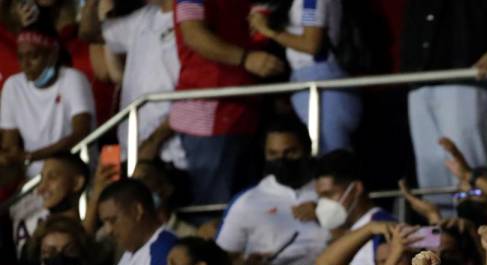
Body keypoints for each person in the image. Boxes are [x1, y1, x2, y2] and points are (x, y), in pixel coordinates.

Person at [402, 1, 487, 193]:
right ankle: (441, 222)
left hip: (468, 71)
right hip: (420, 74)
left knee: (470, 170)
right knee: (431, 177)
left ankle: (478, 221)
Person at [170, 0, 286, 204]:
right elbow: (193, 35)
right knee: (215, 212)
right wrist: (246, 58)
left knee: (245, 210)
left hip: (245, 113)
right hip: (209, 116)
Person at [215, 117, 330, 265]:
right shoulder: (247, 201)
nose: (281, 160)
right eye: (273, 154)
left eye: (290, 152)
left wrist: (326, 215)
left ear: (307, 149)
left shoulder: (331, 190)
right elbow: (223, 261)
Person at [249, 0, 362, 154]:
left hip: (322, 81)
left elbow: (311, 44)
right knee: (322, 156)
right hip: (310, 78)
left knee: (332, 158)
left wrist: (269, 30)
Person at [89, 0, 184, 167]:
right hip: (128, 150)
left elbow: (195, 91)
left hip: (170, 152)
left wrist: (156, 140)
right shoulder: (143, 18)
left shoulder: (192, 20)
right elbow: (89, 32)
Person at [0, 20, 94, 179]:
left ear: (52, 54)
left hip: (74, 174)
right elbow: (11, 147)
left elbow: (81, 133)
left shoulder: (73, 79)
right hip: (35, 181)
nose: (25, 65)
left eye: (33, 56)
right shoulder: (13, 86)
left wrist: (32, 156)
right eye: (21, 57)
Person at [99, 179, 178, 265]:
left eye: (113, 220)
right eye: (104, 223)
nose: (108, 231)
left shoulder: (166, 249)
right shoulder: (130, 251)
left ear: (137, 211)